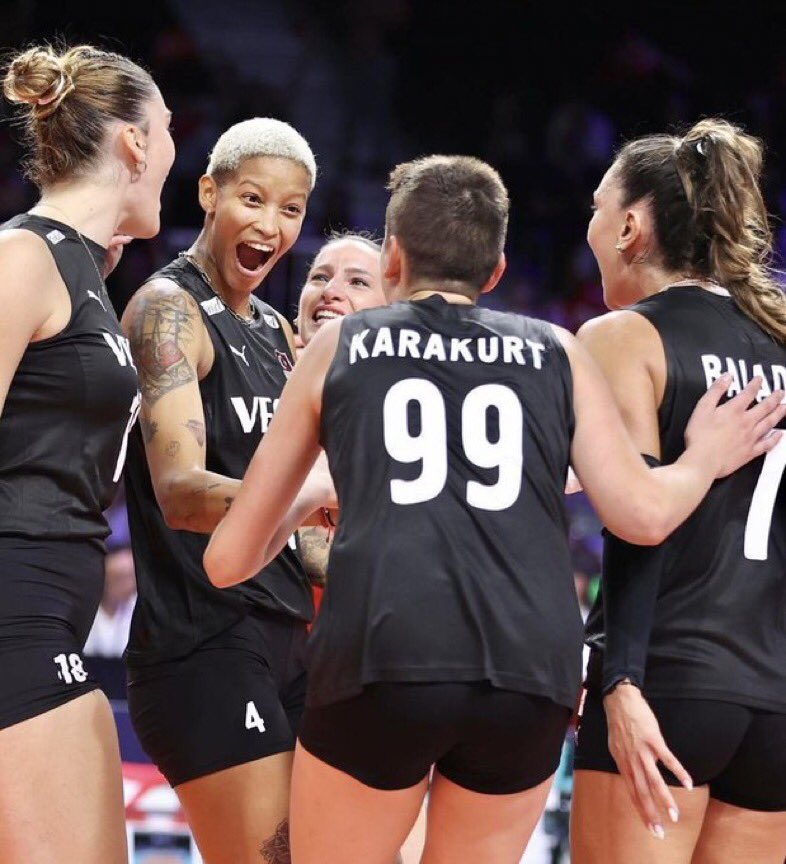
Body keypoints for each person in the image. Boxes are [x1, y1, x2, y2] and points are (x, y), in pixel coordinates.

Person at [203, 154, 785, 864]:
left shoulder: (340, 344)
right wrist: (702, 456)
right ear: (497, 270)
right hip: (531, 672)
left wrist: (317, 494)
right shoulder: (558, 349)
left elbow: (227, 561)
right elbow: (643, 515)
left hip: (385, 652)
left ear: (392, 259)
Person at [570, 118, 786, 864]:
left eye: (598, 209)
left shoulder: (621, 336)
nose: (591, 228)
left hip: (667, 680)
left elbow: (636, 523)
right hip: (775, 703)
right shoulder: (780, 339)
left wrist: (620, 680)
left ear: (631, 227)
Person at [122, 117, 331, 864]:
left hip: (290, 640)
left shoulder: (277, 332)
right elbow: (180, 493)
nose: (271, 225)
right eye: (253, 199)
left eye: (291, 209)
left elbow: (310, 541)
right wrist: (307, 497)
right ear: (210, 193)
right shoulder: (167, 309)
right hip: (202, 640)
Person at [0, 43, 174, 863]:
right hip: (16, 612)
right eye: (167, 131)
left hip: (49, 611)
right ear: (134, 143)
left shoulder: (79, 270)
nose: (173, 153)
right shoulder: (23, 256)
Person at [295, 230, 385, 586]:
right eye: (319, 277)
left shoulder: (413, 401)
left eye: (358, 282)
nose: (330, 291)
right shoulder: (255, 372)